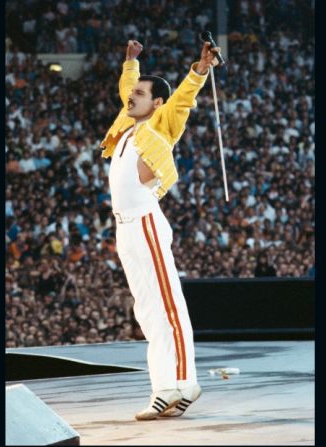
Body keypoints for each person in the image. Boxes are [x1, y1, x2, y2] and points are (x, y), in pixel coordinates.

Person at [100, 39, 220, 421]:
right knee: (148, 310)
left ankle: (185, 382)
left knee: (168, 305)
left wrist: (199, 69)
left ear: (155, 104)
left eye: (139, 94)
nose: (131, 97)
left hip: (148, 223)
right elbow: (126, 90)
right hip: (125, 228)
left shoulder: (160, 125)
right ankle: (164, 388)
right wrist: (130, 65)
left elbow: (181, 100)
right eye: (132, 92)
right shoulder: (127, 127)